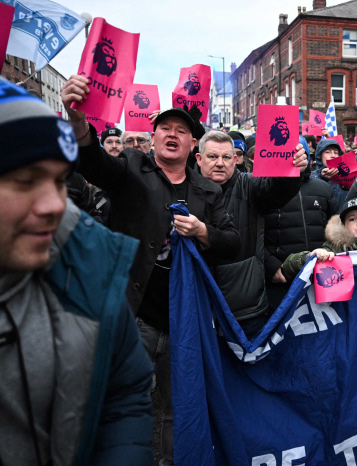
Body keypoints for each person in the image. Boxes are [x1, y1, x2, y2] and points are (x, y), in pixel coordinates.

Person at [0, 68, 153, 465]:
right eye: (25, 180)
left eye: (60, 181)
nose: (56, 205)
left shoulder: (91, 266)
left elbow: (124, 394)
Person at [61, 75, 240, 466]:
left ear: (194, 145)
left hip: (183, 320)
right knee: (126, 400)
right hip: (132, 313)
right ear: (153, 136)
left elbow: (233, 242)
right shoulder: (130, 169)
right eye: (165, 129)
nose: (172, 134)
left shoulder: (208, 192)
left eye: (182, 130)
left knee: (177, 405)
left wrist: (203, 231)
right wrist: (77, 122)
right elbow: (93, 161)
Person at [195, 130, 307, 336]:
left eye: (226, 157)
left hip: (245, 311)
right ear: (199, 159)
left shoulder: (249, 186)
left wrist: (292, 170)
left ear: (235, 160)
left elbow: (276, 190)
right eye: (212, 157)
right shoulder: (185, 187)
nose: (220, 163)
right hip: (197, 307)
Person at [264, 137, 338, 308]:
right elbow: (253, 233)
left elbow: (337, 229)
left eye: (299, 154)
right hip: (282, 277)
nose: (293, 159)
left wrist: (329, 254)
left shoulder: (322, 188)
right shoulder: (264, 187)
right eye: (287, 154)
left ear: (308, 158)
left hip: (321, 274)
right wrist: (271, 266)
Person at [312, 137, 350, 209]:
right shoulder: (312, 176)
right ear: (319, 155)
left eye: (336, 152)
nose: (333, 155)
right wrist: (322, 178)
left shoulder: (346, 176)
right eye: (328, 152)